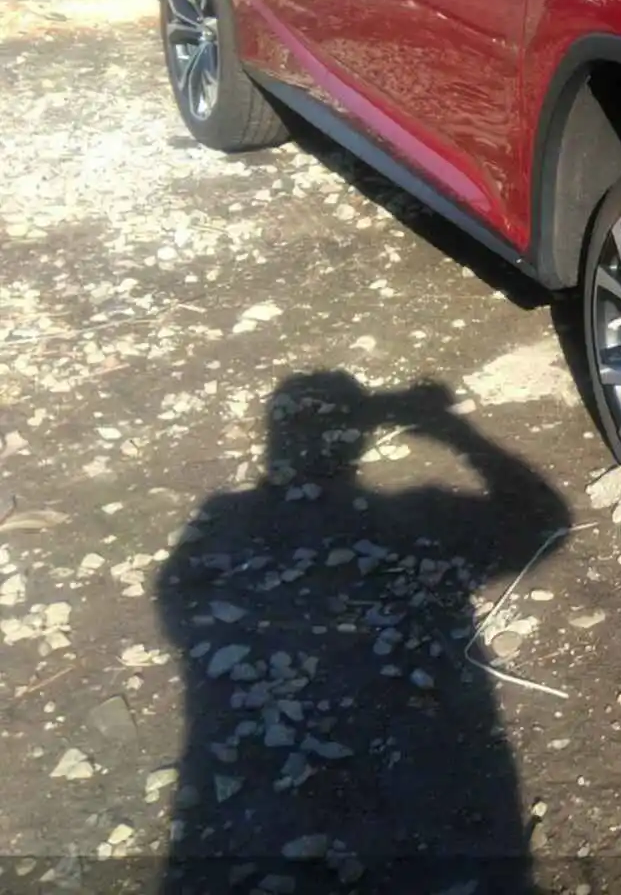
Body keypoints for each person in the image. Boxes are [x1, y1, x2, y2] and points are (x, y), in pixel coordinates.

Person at [157, 372, 569, 892]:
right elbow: (545, 525)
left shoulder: (219, 520)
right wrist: (453, 432)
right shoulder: (418, 514)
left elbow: (179, 600)